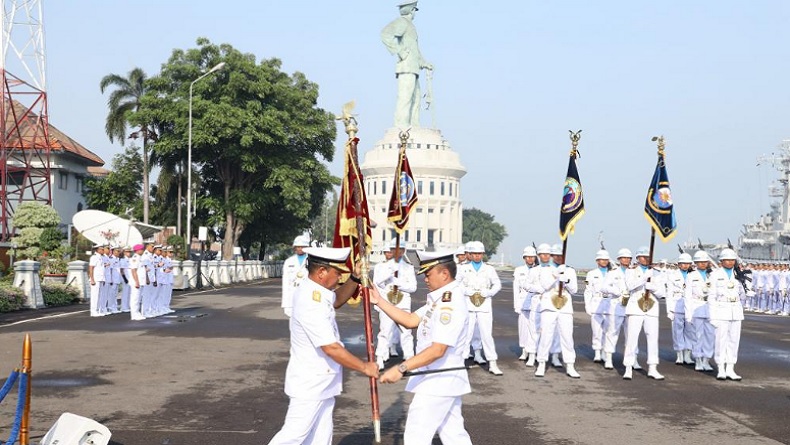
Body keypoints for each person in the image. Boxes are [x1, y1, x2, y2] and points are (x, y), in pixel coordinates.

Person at [268, 247, 379, 445]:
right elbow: (331, 348)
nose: (339, 279)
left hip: (323, 382)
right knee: (293, 437)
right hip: (310, 383)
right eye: (337, 274)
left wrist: (354, 278)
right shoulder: (311, 300)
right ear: (321, 272)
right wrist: (364, 367)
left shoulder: (317, 292)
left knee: (320, 438)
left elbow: (336, 301)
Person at [374, 250, 473, 445]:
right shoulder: (440, 298)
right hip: (440, 379)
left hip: (438, 380)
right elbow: (411, 320)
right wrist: (379, 300)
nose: (425, 279)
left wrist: (401, 368)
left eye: (428, 274)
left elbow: (438, 350)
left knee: (416, 436)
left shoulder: (449, 303)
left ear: (444, 274)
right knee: (454, 436)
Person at [381, 1, 433, 128]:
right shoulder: (402, 22)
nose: (415, 12)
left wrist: (424, 63)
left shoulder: (410, 26)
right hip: (406, 67)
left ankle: (414, 125)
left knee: (416, 98)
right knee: (405, 97)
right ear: (411, 10)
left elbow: (415, 49)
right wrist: (400, 51)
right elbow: (385, 34)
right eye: (415, 9)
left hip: (413, 68)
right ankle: (401, 126)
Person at [534, 244, 580, 378]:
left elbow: (574, 290)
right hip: (549, 306)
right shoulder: (545, 269)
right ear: (552, 256)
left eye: (562, 256)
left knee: (567, 336)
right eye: (557, 255)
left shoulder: (570, 270)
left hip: (565, 307)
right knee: (546, 336)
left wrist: (567, 281)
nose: (559, 258)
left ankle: (570, 365)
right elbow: (544, 286)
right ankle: (541, 363)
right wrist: (555, 275)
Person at [461, 241, 503, 375]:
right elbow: (456, 283)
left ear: (482, 254)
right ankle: (461, 362)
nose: (477, 256)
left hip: (484, 305)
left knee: (486, 335)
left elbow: (497, 284)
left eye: (480, 254)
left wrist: (489, 292)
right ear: (471, 254)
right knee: (466, 335)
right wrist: (466, 291)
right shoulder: (463, 268)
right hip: (468, 304)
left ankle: (492, 363)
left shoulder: (489, 269)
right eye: (475, 254)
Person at [622, 247, 665, 380]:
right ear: (638, 258)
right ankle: (628, 367)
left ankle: (653, 368)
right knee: (631, 339)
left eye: (648, 256)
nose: (646, 258)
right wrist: (644, 279)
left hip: (651, 308)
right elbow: (630, 286)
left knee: (652, 339)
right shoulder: (631, 271)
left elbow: (662, 293)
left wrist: (654, 288)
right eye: (643, 256)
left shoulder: (658, 272)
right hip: (635, 307)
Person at [374, 239, 417, 369]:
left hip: (402, 302)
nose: (397, 252)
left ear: (403, 251)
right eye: (394, 249)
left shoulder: (409, 268)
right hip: (387, 303)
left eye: (400, 250)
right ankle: (380, 357)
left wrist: (399, 283)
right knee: (384, 332)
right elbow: (377, 283)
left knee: (406, 332)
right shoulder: (381, 267)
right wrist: (389, 273)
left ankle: (409, 358)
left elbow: (413, 287)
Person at [710, 249, 749, 380]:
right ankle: (721, 368)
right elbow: (711, 297)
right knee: (721, 340)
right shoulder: (715, 275)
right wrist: (713, 315)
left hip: (736, 311)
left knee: (734, 340)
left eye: (732, 260)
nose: (730, 262)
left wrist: (746, 287)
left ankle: (730, 368)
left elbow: (743, 295)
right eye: (727, 260)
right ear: (721, 261)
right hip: (721, 310)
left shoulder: (738, 274)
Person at [602, 248, 634, 370]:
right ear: (619, 259)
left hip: (631, 306)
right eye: (623, 257)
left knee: (631, 335)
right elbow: (604, 287)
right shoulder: (613, 273)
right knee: (612, 332)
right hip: (616, 305)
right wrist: (616, 292)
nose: (626, 260)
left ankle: (632, 359)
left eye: (628, 258)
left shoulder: (634, 272)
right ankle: (609, 358)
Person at [687, 251, 715, 372]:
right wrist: (688, 314)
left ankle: (706, 360)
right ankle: (698, 359)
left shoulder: (713, 275)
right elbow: (687, 296)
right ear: (696, 263)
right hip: (696, 307)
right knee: (698, 336)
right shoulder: (691, 276)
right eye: (700, 262)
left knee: (710, 336)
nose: (703, 264)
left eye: (705, 262)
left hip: (710, 307)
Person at [666, 253, 695, 365]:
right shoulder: (673, 276)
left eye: (687, 263)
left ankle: (687, 355)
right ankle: (679, 355)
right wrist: (669, 310)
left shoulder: (693, 276)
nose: (685, 265)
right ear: (678, 264)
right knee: (677, 331)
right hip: (677, 306)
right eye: (683, 263)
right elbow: (669, 293)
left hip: (690, 306)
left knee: (690, 331)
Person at [584, 249, 612, 363]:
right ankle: (597, 352)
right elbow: (588, 291)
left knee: (608, 330)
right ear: (597, 260)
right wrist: (587, 305)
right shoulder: (591, 274)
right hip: (596, 303)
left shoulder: (613, 273)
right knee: (596, 330)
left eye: (606, 260)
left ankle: (605, 352)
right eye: (602, 259)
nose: (604, 261)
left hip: (609, 303)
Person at [513, 246, 538, 361]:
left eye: (532, 257)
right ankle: (524, 351)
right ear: (524, 258)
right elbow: (516, 289)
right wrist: (516, 305)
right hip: (523, 302)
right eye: (528, 257)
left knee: (534, 329)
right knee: (523, 328)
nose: (530, 259)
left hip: (535, 303)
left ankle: (533, 350)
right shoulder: (519, 270)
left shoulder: (539, 270)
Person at [281, 235, 310, 318]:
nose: (300, 248)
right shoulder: (289, 262)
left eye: (302, 246)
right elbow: (285, 284)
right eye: (298, 246)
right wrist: (286, 304)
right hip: (292, 295)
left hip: (307, 295)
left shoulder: (312, 261)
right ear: (294, 248)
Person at [128, 244, 147, 321]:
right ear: (137, 250)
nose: (142, 251)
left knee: (138, 298)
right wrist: (137, 282)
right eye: (142, 249)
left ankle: (137, 312)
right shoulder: (135, 258)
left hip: (141, 281)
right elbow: (133, 271)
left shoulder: (140, 258)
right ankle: (134, 314)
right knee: (135, 298)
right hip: (136, 282)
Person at [119, 246, 132, 313]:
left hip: (130, 278)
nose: (129, 253)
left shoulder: (131, 259)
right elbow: (122, 270)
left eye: (129, 252)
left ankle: (128, 306)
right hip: (126, 278)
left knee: (129, 293)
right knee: (125, 293)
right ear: (124, 252)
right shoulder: (122, 260)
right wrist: (125, 279)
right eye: (127, 252)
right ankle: (123, 307)